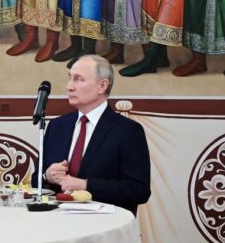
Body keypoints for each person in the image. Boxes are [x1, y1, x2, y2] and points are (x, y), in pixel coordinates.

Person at [34, 55, 151, 216]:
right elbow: (35, 181)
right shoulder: (57, 126)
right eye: (70, 79)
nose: (69, 87)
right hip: (55, 223)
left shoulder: (127, 131)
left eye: (78, 79)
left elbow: (138, 190)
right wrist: (47, 176)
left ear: (102, 86)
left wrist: (85, 185)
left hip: (102, 226)